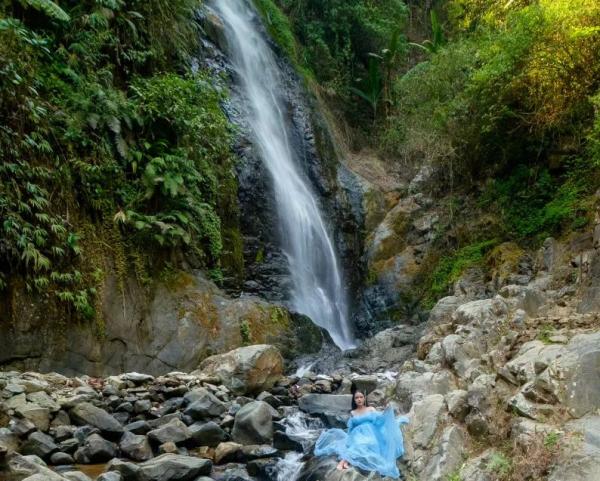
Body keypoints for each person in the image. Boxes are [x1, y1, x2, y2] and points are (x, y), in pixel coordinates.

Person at [314, 388, 408, 479]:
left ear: (364, 398)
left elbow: (380, 420)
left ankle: (344, 462)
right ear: (354, 400)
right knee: (357, 444)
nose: (359, 399)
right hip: (356, 434)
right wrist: (349, 440)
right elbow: (351, 428)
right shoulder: (353, 412)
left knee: (367, 443)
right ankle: (344, 462)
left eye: (361, 397)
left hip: (370, 433)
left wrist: (387, 412)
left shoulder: (371, 409)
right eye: (356, 398)